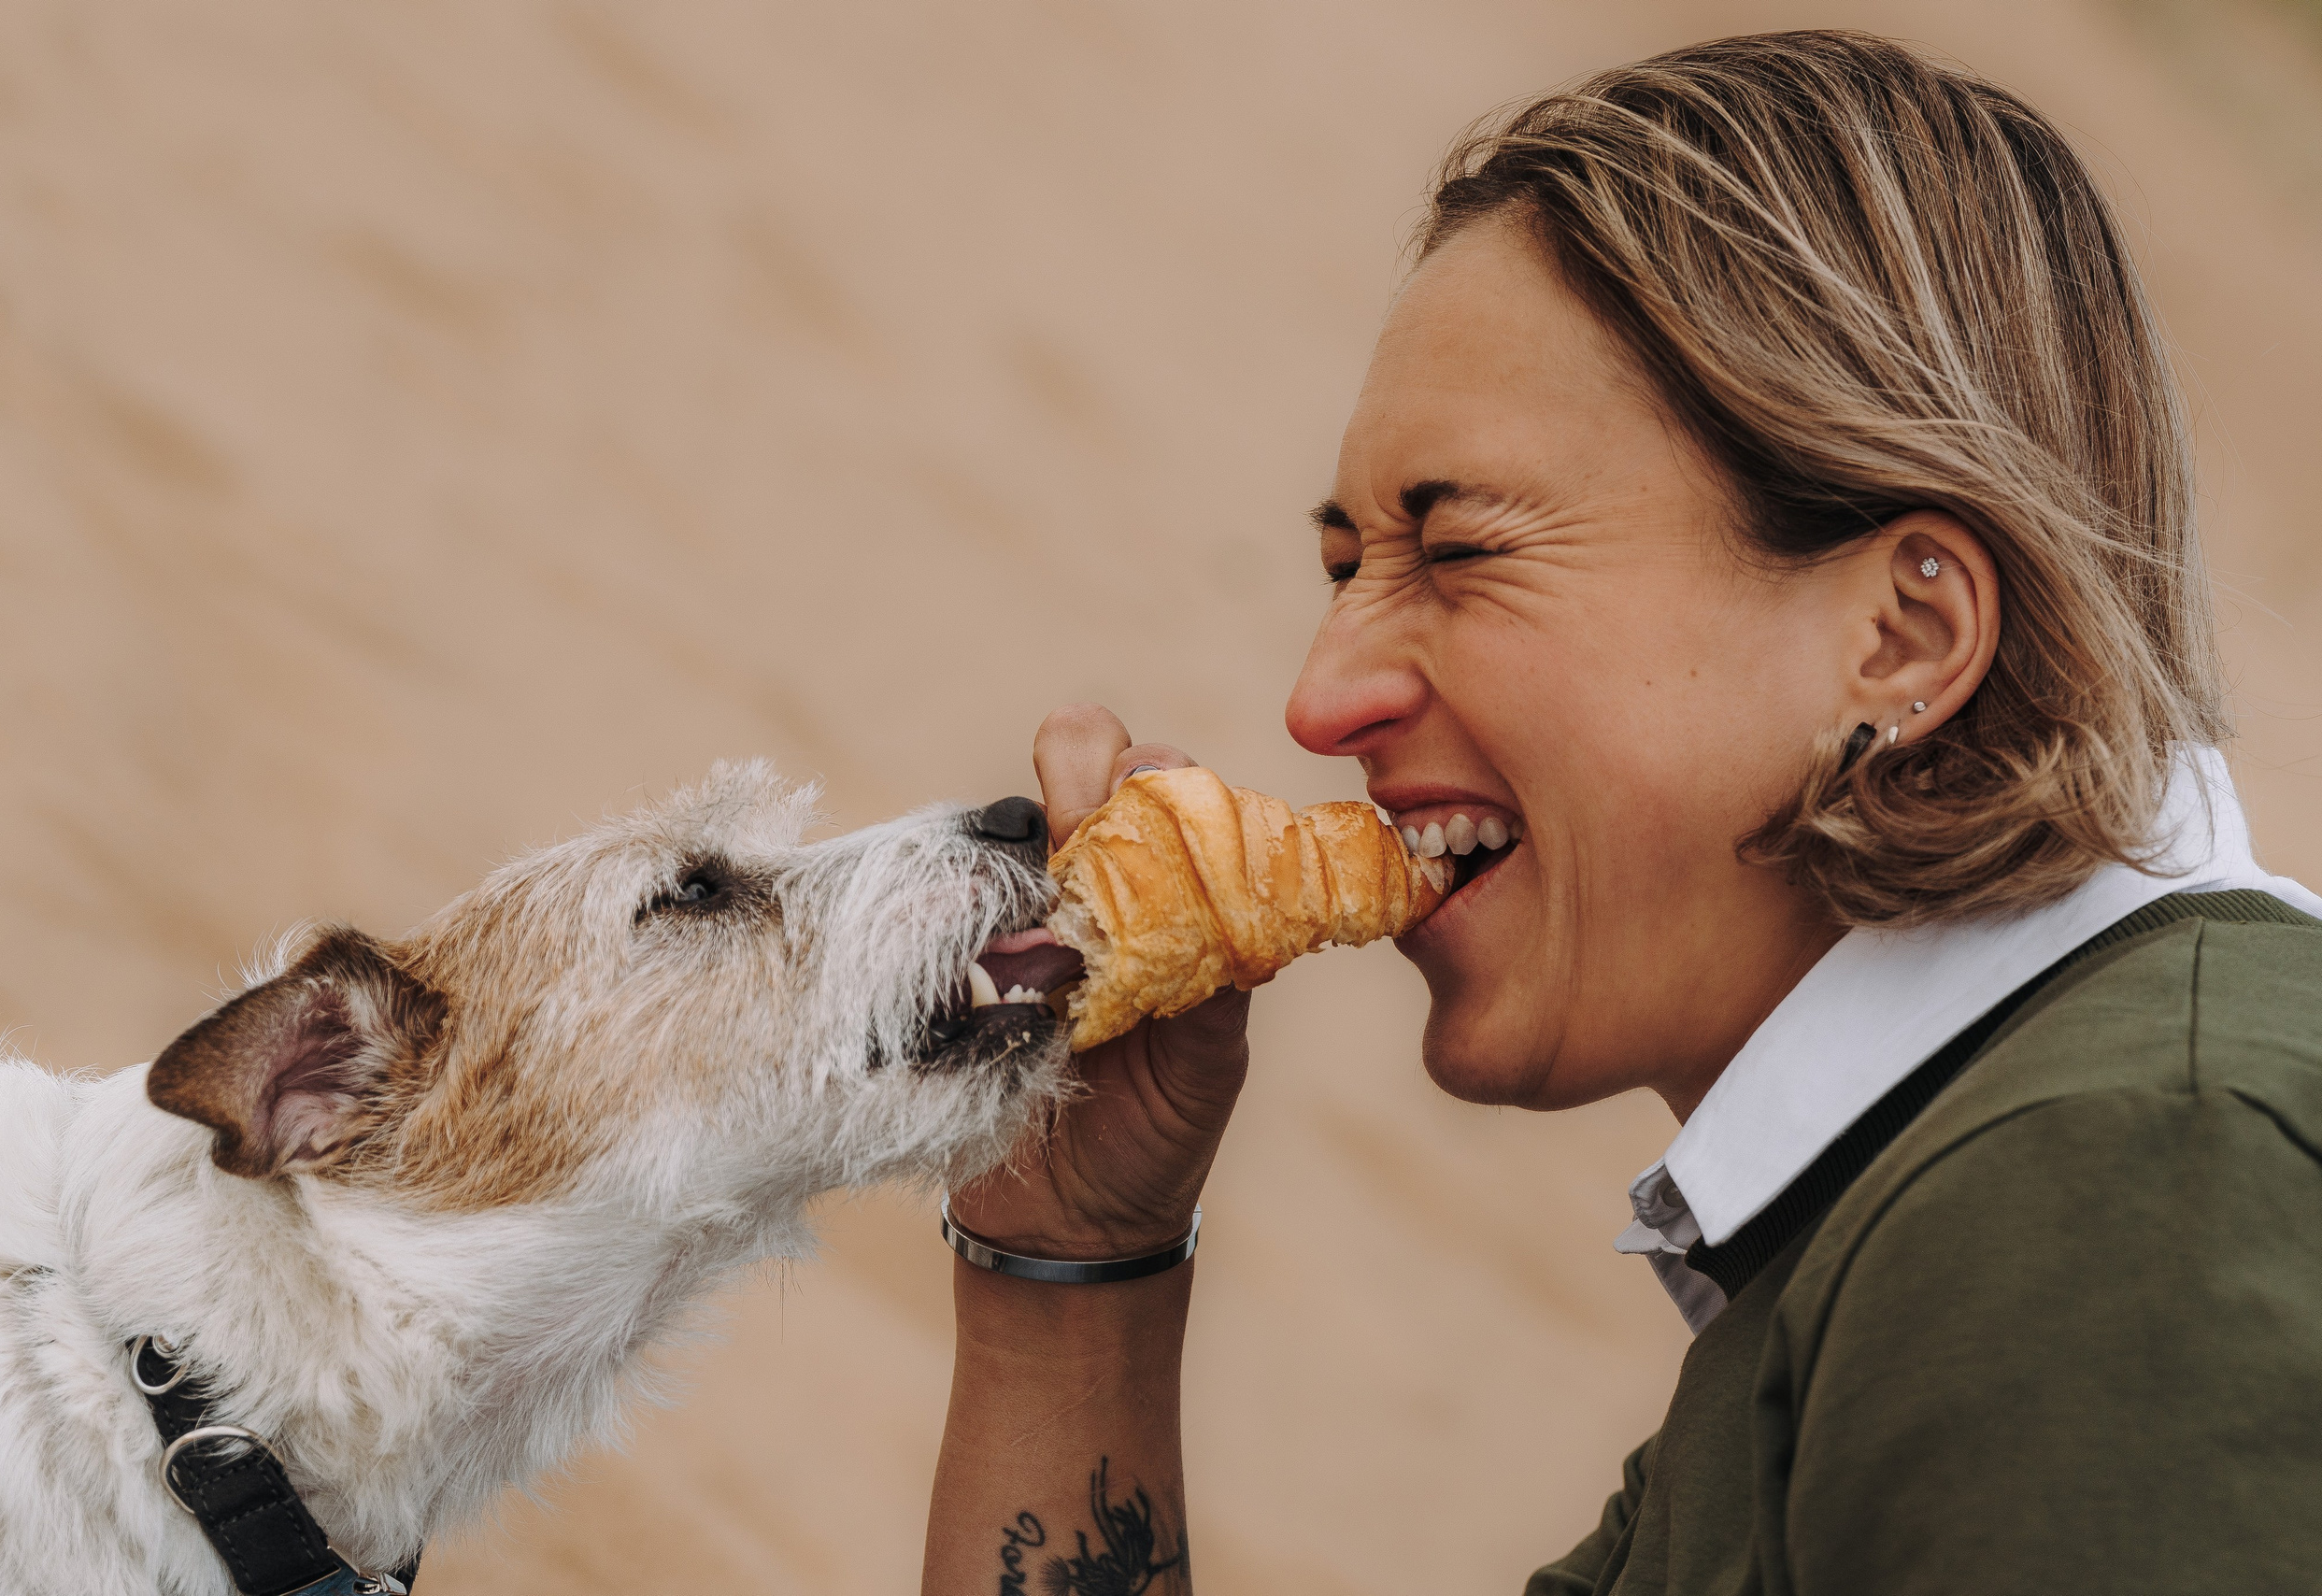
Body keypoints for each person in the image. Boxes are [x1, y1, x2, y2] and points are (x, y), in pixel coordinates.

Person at [919, 30, 2322, 1595]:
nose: (1324, 704)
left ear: (1902, 639)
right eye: (1344, 568)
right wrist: (1075, 1254)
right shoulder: (1930, 1206)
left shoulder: (2125, 1196)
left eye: (1458, 554)